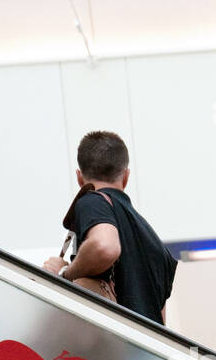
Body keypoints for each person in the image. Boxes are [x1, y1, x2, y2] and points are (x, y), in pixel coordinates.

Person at [43, 130, 177, 325]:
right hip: (145, 353)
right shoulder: (157, 246)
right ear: (126, 176)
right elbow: (161, 322)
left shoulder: (92, 202)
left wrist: (65, 274)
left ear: (80, 178)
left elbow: (105, 247)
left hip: (110, 349)